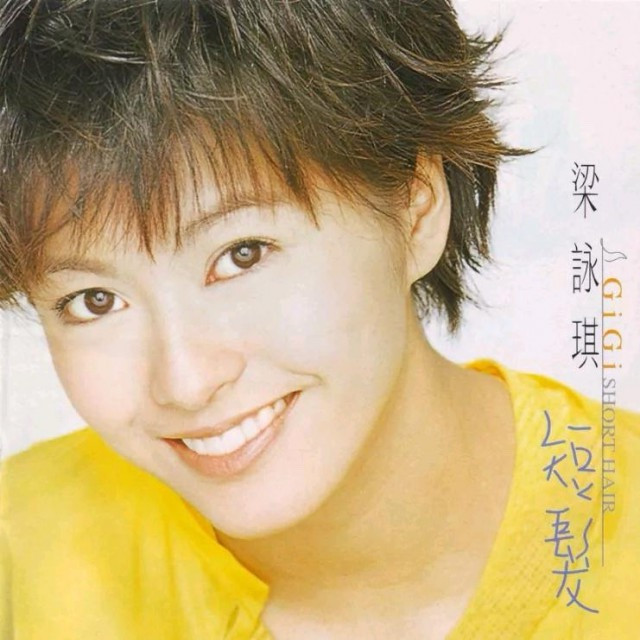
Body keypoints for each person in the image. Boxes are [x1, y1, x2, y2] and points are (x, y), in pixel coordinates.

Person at [0, 1, 638, 638]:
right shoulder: (23, 550)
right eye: (94, 300)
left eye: (242, 255)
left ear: (416, 207)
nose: (186, 384)